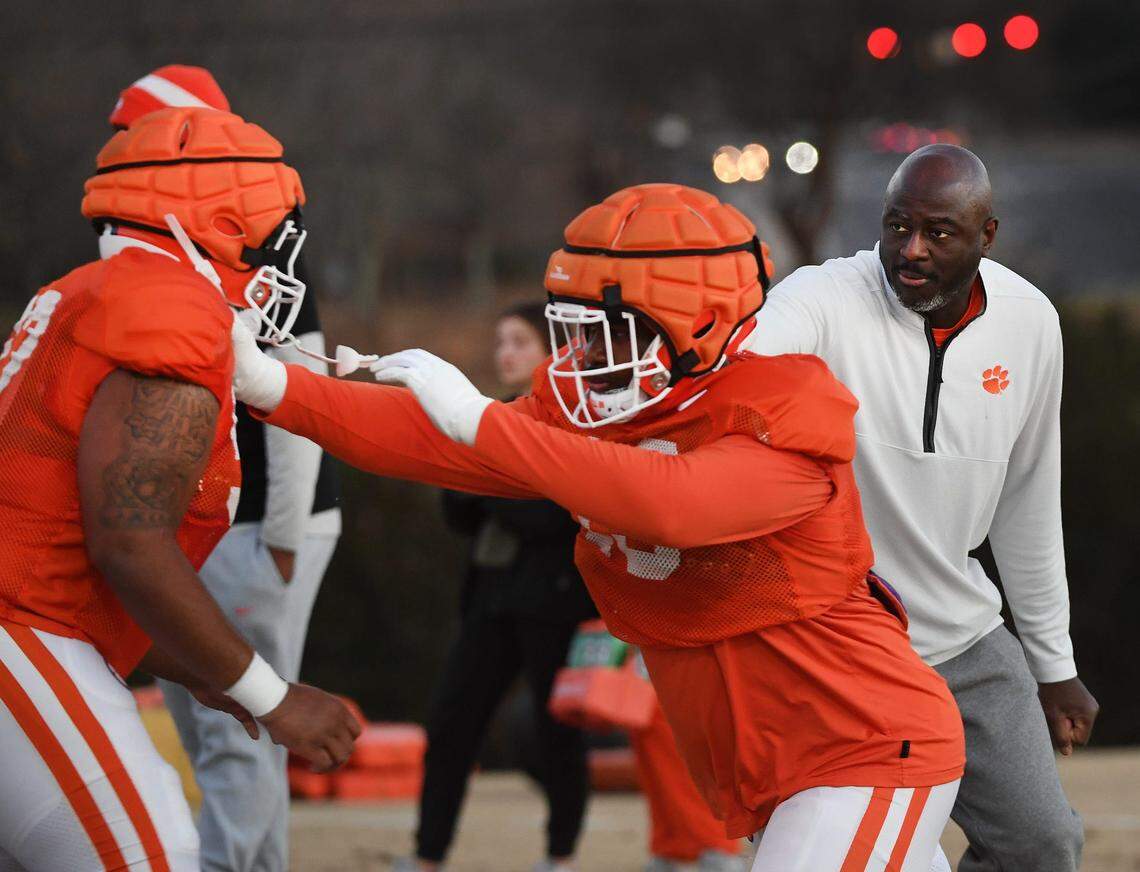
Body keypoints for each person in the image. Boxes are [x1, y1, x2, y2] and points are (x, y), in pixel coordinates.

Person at [232, 183, 967, 871]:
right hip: (776, 763)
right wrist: (276, 388)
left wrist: (482, 421)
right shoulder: (613, 403)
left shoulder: (782, 407)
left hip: (861, 745)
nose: (583, 359)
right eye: (576, 333)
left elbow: (670, 502)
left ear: (699, 322)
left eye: (609, 333)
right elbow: (431, 442)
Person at [0, 105, 359, 871]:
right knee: (147, 854)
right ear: (224, 221)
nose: (280, 266)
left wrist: (219, 678)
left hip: (31, 624)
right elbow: (128, 543)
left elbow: (90, 564)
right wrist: (273, 696)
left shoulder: (90, 290)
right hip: (19, 630)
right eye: (274, 239)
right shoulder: (171, 312)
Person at [745, 144, 1098, 872]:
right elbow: (747, 360)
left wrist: (1052, 661)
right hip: (837, 647)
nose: (910, 250)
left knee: (1043, 845)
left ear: (986, 235)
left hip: (962, 636)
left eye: (938, 233)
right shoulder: (824, 295)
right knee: (880, 855)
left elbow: (1029, 503)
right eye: (896, 225)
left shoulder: (1031, 323)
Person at [107, 64, 344, 872]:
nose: (119, 154)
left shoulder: (254, 236)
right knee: (234, 716)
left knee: (235, 717)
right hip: (219, 517)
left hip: (260, 516)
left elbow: (300, 385)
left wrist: (280, 534)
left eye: (134, 135)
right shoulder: (186, 238)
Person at [396, 303, 597, 872]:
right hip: (489, 597)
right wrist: (492, 480)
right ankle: (427, 855)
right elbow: (457, 506)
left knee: (554, 731)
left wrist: (487, 480)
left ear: (551, 353)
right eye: (500, 340)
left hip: (552, 602)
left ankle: (561, 856)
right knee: (452, 722)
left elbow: (554, 516)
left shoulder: (576, 421)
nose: (504, 352)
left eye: (519, 341)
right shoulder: (490, 417)